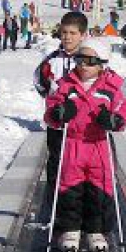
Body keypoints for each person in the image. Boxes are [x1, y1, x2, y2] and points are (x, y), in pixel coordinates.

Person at [45, 39, 126, 252]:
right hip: (73, 143)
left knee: (100, 187)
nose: (83, 65)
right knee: (69, 188)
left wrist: (115, 120)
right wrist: (59, 113)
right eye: (79, 59)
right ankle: (70, 230)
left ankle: (96, 231)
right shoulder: (65, 84)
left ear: (102, 63)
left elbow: (124, 108)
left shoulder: (111, 87)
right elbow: (51, 108)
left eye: (90, 61)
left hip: (98, 144)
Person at [35, 11, 88, 197]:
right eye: (64, 32)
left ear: (83, 35)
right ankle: (54, 196)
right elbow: (39, 81)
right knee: (57, 160)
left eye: (73, 33)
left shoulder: (89, 60)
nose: (67, 37)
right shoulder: (51, 60)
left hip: (83, 124)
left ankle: (80, 200)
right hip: (58, 123)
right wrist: (52, 103)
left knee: (82, 162)